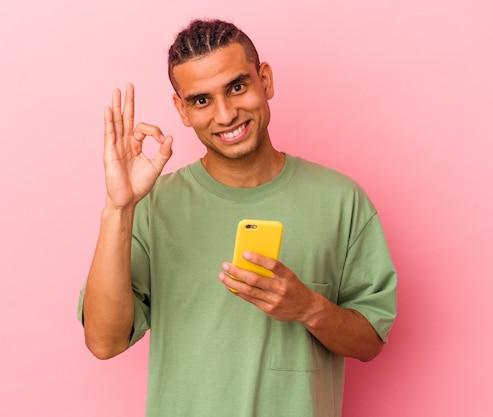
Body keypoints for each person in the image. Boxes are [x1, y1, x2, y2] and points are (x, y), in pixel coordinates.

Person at [78, 18, 397, 417]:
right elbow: (104, 343)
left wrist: (307, 307)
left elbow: (370, 343)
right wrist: (119, 207)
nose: (225, 114)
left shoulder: (342, 200)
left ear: (265, 80)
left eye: (237, 87)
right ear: (181, 109)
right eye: (201, 100)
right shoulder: (151, 206)